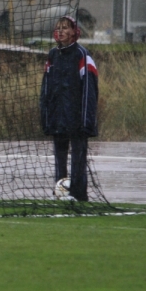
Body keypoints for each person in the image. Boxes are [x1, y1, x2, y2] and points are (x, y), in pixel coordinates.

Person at [40, 15, 99, 202]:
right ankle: (60, 191)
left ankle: (78, 194)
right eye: (58, 28)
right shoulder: (52, 55)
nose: (61, 31)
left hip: (77, 117)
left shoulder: (82, 55)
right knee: (59, 158)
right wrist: (46, 115)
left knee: (78, 158)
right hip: (58, 117)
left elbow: (90, 89)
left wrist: (86, 119)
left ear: (74, 32)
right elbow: (46, 88)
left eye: (66, 28)